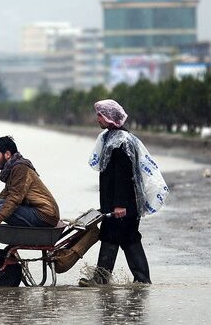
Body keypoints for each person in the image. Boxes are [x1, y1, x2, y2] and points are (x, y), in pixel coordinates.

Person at [79, 99, 152, 286]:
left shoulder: (121, 142)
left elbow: (124, 176)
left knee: (123, 238)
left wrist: (120, 204)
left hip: (123, 205)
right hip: (116, 204)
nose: (97, 119)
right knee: (118, 237)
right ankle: (114, 280)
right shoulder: (111, 138)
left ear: (111, 117)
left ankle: (138, 280)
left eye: (100, 115)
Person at [0, 136, 60, 227]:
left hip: (45, 216)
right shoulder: (13, 169)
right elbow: (3, 198)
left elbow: (15, 197)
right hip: (38, 213)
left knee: (0, 208)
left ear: (7, 154)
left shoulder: (20, 168)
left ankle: (25, 236)